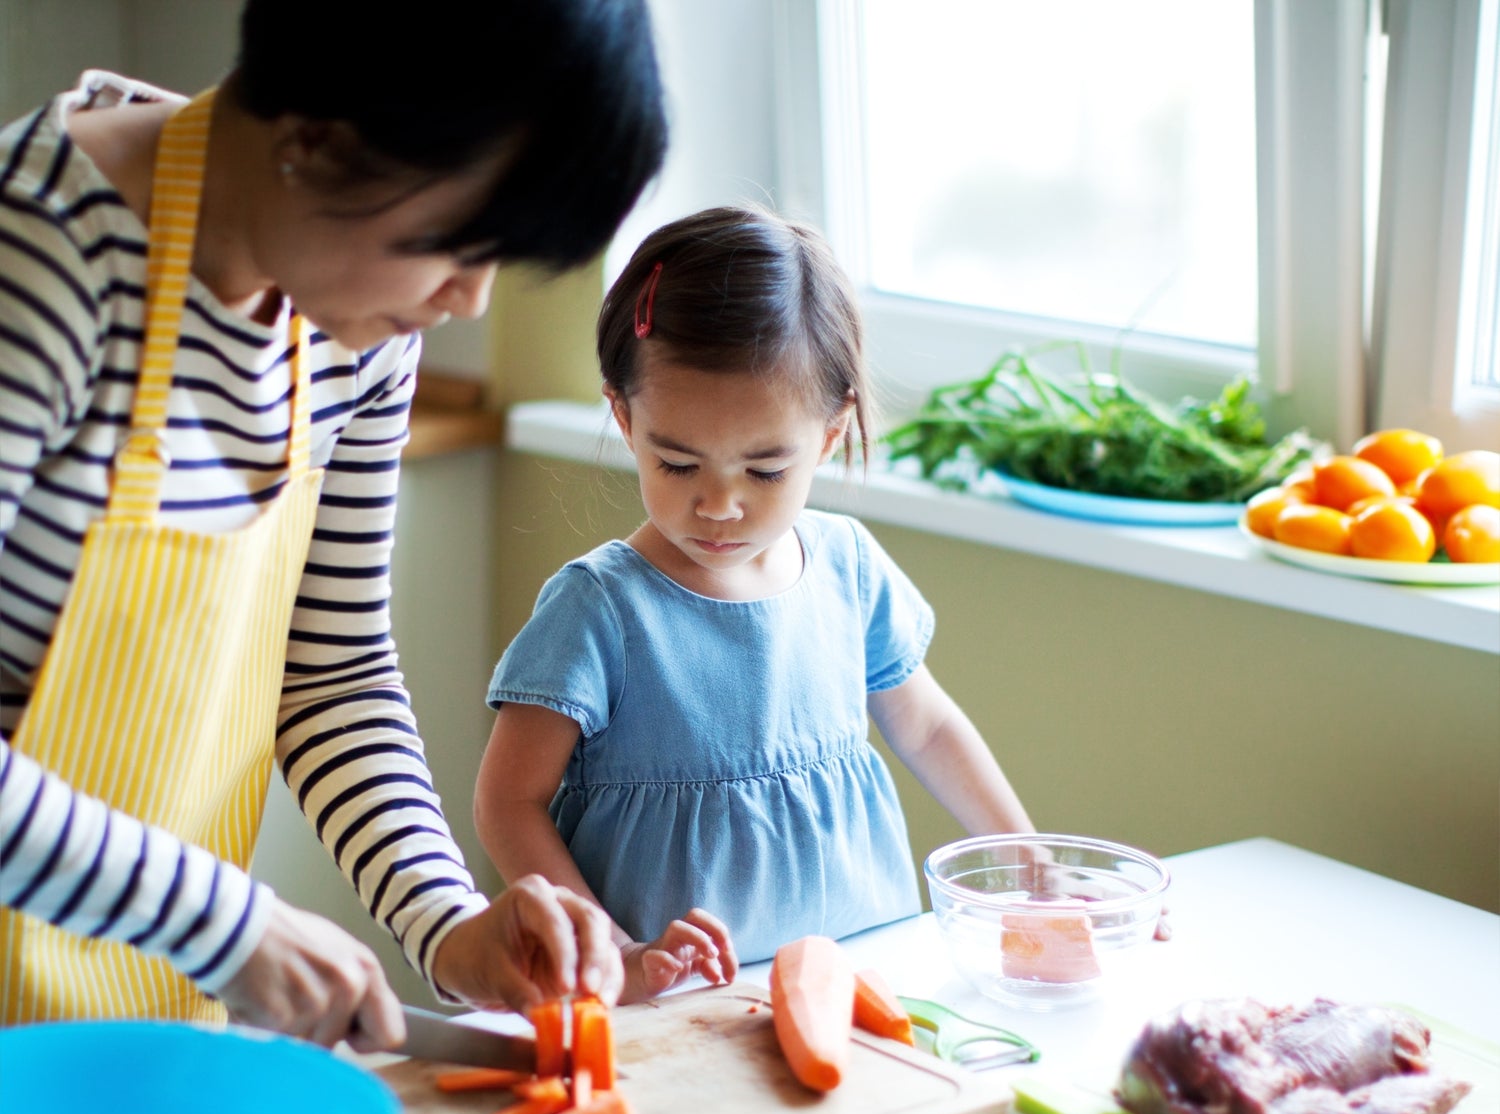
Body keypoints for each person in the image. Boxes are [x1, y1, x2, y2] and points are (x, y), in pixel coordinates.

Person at [0, 0, 670, 1043]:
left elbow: (333, 668)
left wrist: (450, 926)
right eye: (455, 242)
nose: (473, 300)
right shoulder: (40, 256)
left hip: (130, 1014)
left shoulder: (352, 323)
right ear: (312, 141)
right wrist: (224, 924)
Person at [475, 206, 1036, 1004]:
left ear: (832, 434)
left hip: (862, 976)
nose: (719, 506)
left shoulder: (848, 566)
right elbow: (507, 800)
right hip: (673, 998)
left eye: (766, 470)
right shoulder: (598, 606)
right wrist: (613, 955)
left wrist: (1026, 859)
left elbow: (929, 725)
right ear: (625, 418)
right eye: (676, 463)